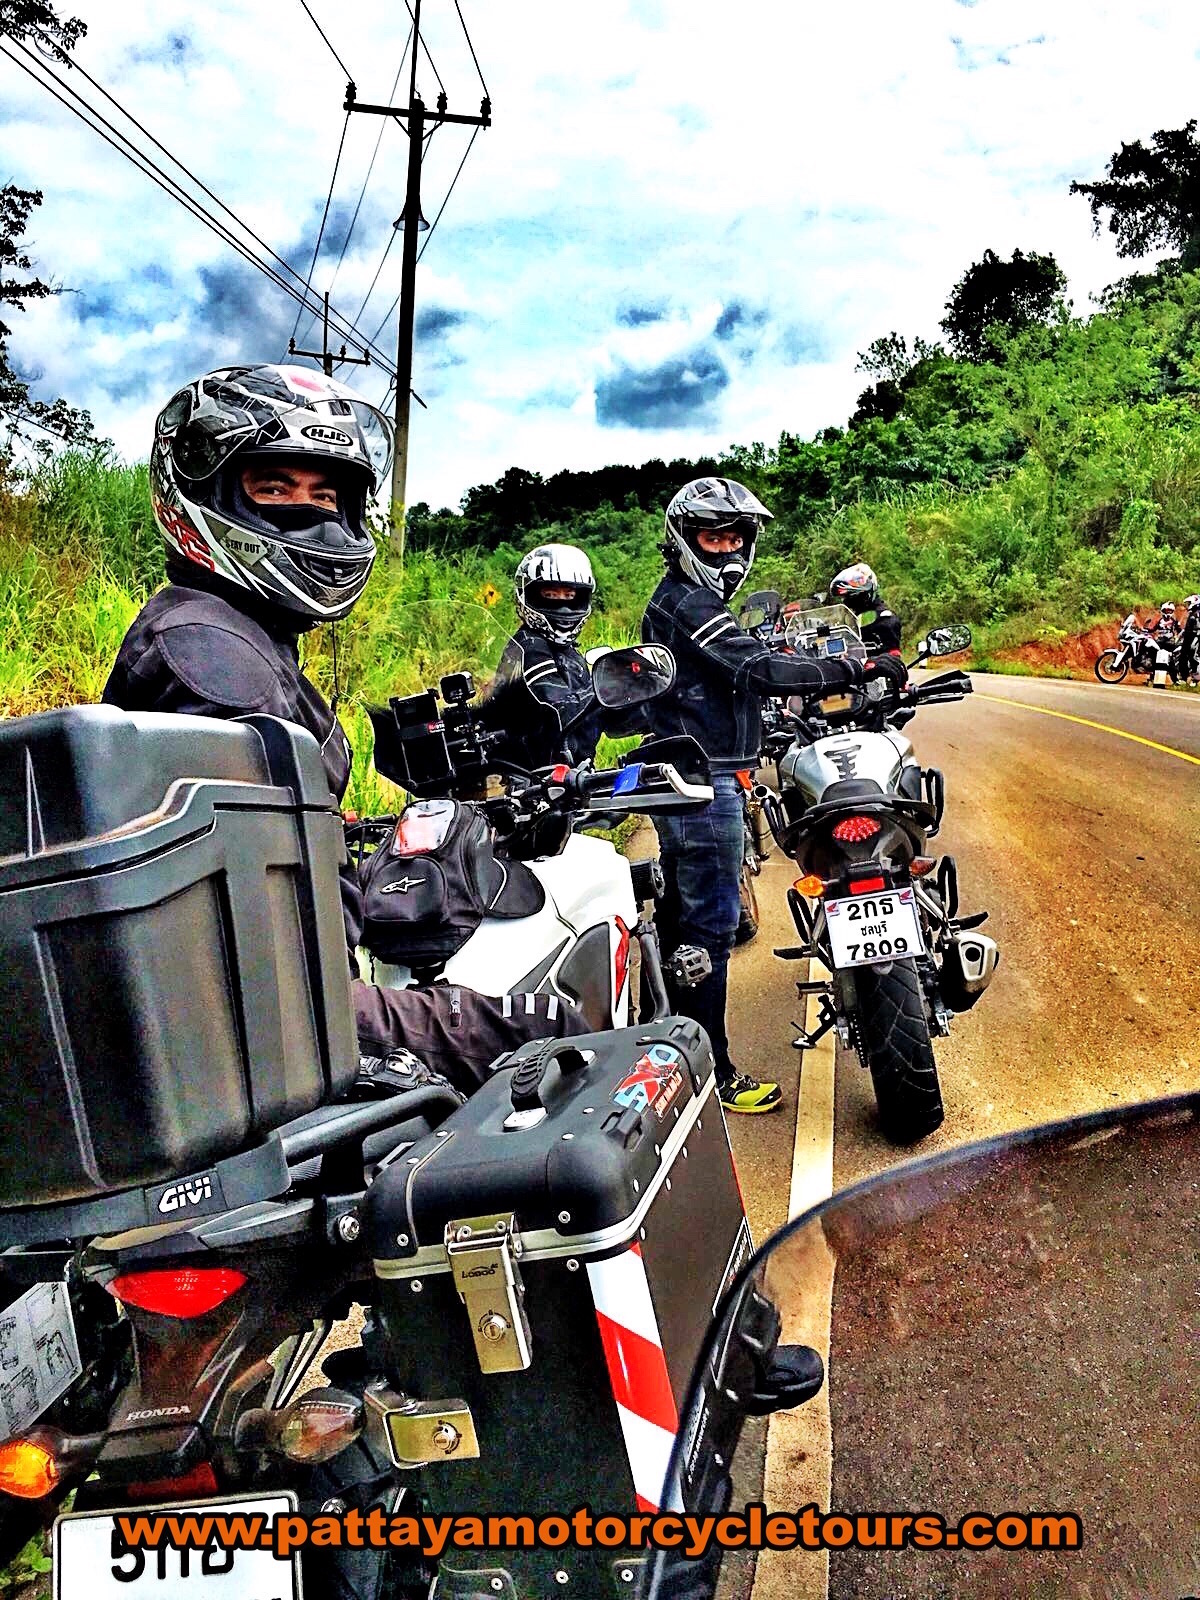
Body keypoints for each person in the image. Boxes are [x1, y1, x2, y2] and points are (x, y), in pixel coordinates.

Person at [103, 363, 587, 1093]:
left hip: (259, 1005)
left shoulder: (228, 633)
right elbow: (266, 948)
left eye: (324, 494)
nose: (312, 514)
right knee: (553, 1027)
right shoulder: (213, 658)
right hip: (276, 1025)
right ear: (204, 495)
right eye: (274, 488)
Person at [641, 477, 909, 1115]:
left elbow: (746, 663)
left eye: (736, 537)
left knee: (699, 921)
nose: (727, 549)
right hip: (701, 787)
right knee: (703, 933)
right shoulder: (687, 603)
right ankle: (712, 1075)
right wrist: (851, 668)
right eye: (714, 536)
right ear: (685, 539)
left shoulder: (697, 601)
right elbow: (752, 669)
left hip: (708, 775)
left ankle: (680, 1046)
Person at [493, 543, 600, 766]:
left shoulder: (564, 650)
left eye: (570, 595)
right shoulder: (529, 646)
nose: (562, 606)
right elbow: (557, 707)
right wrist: (604, 696)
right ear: (528, 594)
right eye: (550, 594)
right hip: (535, 780)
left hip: (566, 772)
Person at [827, 562, 902, 655]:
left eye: (850, 596)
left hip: (876, 667)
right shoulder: (850, 619)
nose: (846, 601)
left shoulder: (885, 618)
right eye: (844, 598)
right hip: (851, 667)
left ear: (865, 593)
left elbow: (893, 657)